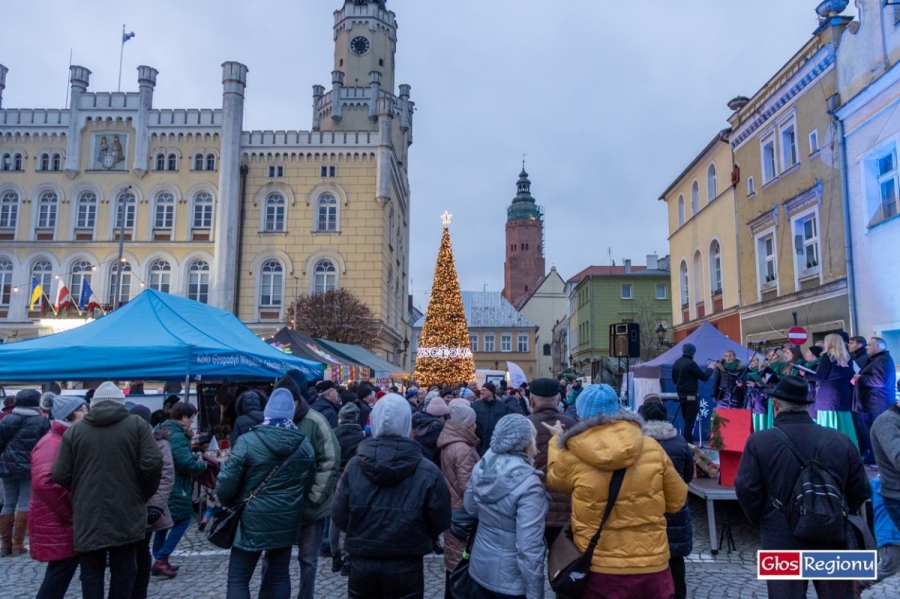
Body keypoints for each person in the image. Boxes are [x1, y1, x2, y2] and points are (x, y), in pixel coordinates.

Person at [546, 384, 688, 598]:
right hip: (652, 565)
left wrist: (556, 442)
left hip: (599, 568)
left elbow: (556, 481)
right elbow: (677, 500)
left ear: (581, 415)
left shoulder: (572, 453)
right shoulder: (651, 446)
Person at [734, 376, 870, 599]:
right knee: (839, 595)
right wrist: (834, 510)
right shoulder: (840, 439)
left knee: (784, 595)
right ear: (807, 406)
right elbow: (861, 490)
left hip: (781, 535)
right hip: (834, 533)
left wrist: (766, 518)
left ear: (776, 405)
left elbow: (746, 488)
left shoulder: (759, 441)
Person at [332, 394, 451, 599]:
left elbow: (340, 514)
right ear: (407, 423)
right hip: (406, 560)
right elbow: (440, 519)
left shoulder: (354, 466)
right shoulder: (427, 470)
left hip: (363, 559)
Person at [52, 382, 163, 599]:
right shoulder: (138, 426)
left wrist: (82, 488)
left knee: (91, 571)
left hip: (88, 510)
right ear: (121, 403)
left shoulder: (75, 432)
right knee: (124, 569)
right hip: (127, 509)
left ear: (92, 404)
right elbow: (153, 463)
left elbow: (60, 474)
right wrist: (143, 493)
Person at [216, 387, 316, 599]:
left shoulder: (247, 441)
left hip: (250, 518)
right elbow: (305, 486)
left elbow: (226, 484)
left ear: (267, 412)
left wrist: (229, 501)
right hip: (286, 518)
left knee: (238, 578)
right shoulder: (305, 446)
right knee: (279, 576)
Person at [269, 379, 341, 599]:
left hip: (309, 507)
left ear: (297, 400)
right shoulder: (270, 421)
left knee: (308, 560)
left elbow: (330, 459)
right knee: (271, 559)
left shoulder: (316, 422)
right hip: (278, 508)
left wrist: (313, 498)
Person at [464, 414, 547, 599]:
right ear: (526, 441)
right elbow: (528, 548)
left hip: (479, 567)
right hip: (510, 580)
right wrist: (535, 594)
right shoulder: (529, 483)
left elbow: (470, 506)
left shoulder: (481, 466)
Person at [29, 395, 86, 599]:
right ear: (69, 415)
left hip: (59, 519)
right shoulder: (53, 443)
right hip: (57, 520)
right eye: (82, 409)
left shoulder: (63, 438)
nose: (86, 412)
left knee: (61, 573)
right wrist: (71, 511)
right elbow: (43, 483)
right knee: (59, 574)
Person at [638, 401, 693, 599]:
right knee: (675, 557)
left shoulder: (635, 443)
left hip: (644, 507)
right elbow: (687, 477)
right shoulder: (680, 442)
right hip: (674, 508)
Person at [153, 401, 206, 578]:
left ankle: (159, 558)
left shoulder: (163, 429)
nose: (192, 422)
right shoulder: (176, 435)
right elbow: (185, 464)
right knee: (182, 520)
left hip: (162, 484)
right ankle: (161, 559)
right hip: (175, 485)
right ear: (183, 418)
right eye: (191, 418)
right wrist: (201, 464)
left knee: (163, 523)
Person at [128, 405, 175, 598]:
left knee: (141, 549)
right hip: (129, 505)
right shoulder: (127, 439)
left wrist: (156, 505)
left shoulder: (159, 443)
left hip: (147, 505)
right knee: (131, 552)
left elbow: (165, 475)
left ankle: (139, 592)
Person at [526, 378, 577, 547]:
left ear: (532, 400)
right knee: (561, 561)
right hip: (566, 505)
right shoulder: (573, 425)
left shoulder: (525, 425)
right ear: (558, 400)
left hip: (532, 504)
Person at [436, 402, 479, 599]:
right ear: (466, 424)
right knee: (459, 564)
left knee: (453, 562)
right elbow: (469, 488)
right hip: (463, 517)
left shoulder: (452, 444)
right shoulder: (463, 449)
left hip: (454, 512)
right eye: (473, 422)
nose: (476, 426)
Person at [0, 388, 50, 556]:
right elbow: (44, 447)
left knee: (8, 503)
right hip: (29, 467)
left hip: (6, 466)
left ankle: (5, 544)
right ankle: (18, 544)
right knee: (24, 503)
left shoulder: (7, 419)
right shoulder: (41, 421)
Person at [331, 402, 366, 575]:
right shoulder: (362, 436)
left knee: (334, 518)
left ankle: (335, 555)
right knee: (354, 517)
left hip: (335, 477)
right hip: (353, 477)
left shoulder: (333, 433)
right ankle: (349, 559)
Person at [809, 333, 857, 448]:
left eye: (826, 341)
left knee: (828, 425)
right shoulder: (848, 357)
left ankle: (830, 450)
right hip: (844, 394)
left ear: (829, 343)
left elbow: (820, 377)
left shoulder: (827, 356)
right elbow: (851, 376)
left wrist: (804, 373)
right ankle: (848, 449)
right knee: (844, 424)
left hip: (827, 396)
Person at [854, 338, 897, 465]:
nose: (866, 347)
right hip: (871, 403)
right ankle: (873, 457)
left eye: (869, 345)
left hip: (876, 403)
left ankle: (878, 459)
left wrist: (860, 378)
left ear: (878, 347)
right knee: (870, 433)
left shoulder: (882, 360)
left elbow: (878, 381)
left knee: (876, 432)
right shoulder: (877, 359)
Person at [671, 343, 713, 444]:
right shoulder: (691, 364)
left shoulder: (676, 363)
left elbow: (674, 380)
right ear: (693, 353)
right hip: (691, 397)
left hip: (681, 396)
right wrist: (710, 368)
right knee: (689, 423)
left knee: (686, 421)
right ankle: (688, 445)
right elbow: (704, 377)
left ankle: (687, 443)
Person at [472, 382, 510, 456]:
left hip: (497, 444)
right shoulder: (475, 405)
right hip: (480, 444)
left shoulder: (502, 406)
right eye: (481, 389)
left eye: (484, 390)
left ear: (491, 392)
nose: (481, 392)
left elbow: (506, 422)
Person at [412, 397, 448, 464]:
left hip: (417, 458)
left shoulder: (416, 420)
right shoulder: (438, 427)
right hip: (431, 461)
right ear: (441, 415)